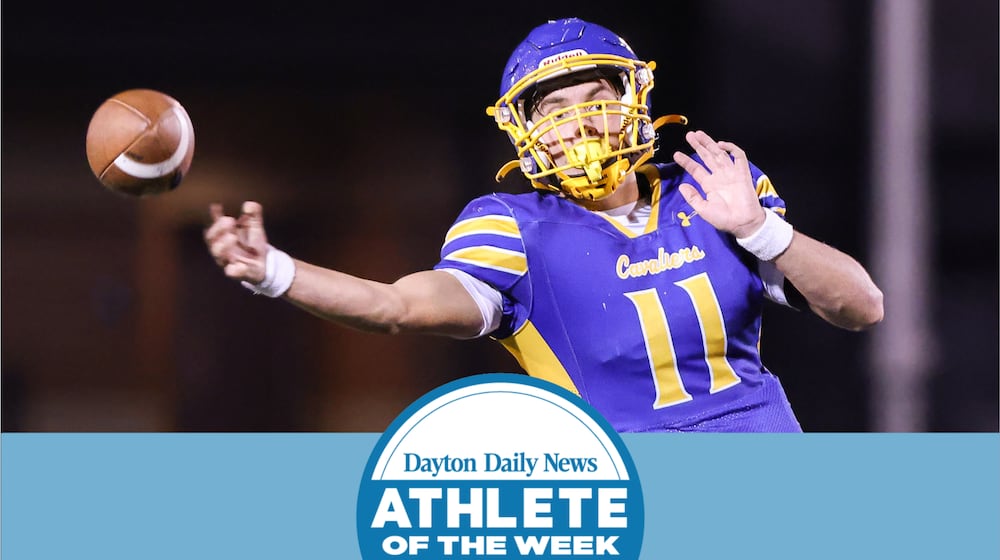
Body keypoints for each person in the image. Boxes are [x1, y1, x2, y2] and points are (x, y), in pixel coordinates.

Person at [204, 17, 883, 432]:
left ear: (634, 102)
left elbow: (862, 305)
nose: (581, 120)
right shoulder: (511, 229)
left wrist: (764, 230)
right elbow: (394, 306)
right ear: (527, 133)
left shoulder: (711, 190)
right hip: (631, 503)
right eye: (555, 106)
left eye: (597, 96)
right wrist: (273, 272)